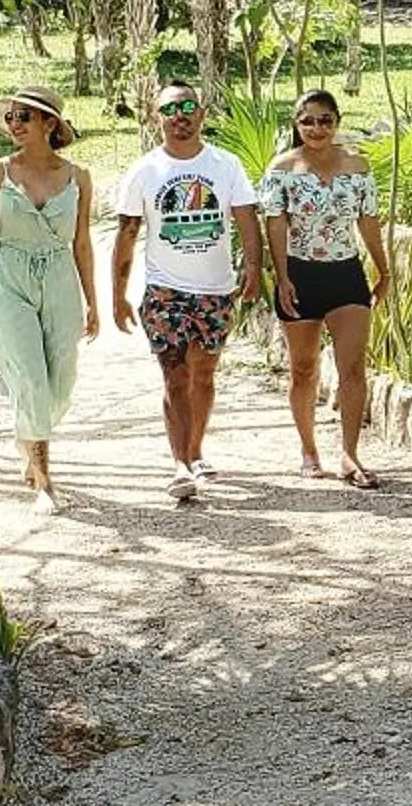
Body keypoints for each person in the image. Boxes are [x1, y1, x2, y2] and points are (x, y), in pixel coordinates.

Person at [0, 88, 98, 516]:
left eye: (25, 117)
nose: (14, 124)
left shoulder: (79, 176)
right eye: (11, 117)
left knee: (60, 382)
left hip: (59, 278)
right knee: (30, 378)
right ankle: (45, 481)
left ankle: (27, 441)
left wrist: (93, 303)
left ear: (50, 124)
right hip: (10, 277)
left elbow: (83, 244)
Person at [111, 82, 263, 501]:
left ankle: (195, 451)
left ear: (202, 114)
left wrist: (254, 266)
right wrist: (118, 294)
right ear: (155, 117)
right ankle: (179, 463)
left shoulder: (225, 165)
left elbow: (246, 217)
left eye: (188, 107)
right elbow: (127, 234)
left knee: (205, 374)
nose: (180, 116)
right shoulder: (145, 172)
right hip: (165, 292)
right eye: (169, 109)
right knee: (175, 375)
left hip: (215, 291)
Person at [258, 88, 394, 487]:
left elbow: (369, 220)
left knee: (353, 368)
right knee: (303, 368)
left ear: (337, 122)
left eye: (325, 120)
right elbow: (275, 224)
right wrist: (281, 277)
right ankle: (308, 449)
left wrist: (383, 269)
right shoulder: (281, 169)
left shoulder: (357, 167)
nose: (317, 129)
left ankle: (351, 455)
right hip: (300, 275)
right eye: (308, 121)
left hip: (346, 274)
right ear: (296, 124)